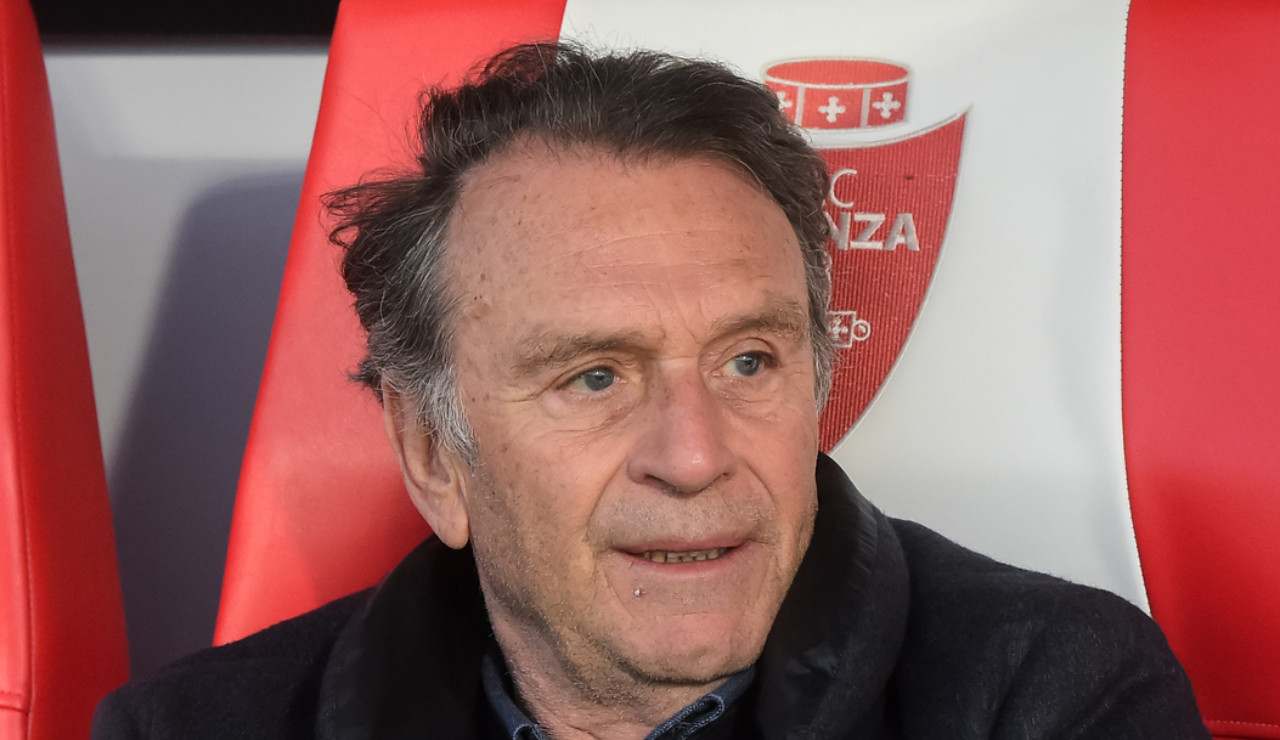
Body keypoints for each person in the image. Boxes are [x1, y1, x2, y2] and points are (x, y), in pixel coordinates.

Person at [92, 42, 1208, 739]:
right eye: (594, 376)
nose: (694, 455)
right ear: (433, 452)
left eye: (747, 361)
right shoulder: (188, 727)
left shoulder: (1055, 697)